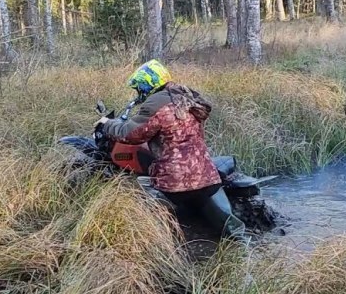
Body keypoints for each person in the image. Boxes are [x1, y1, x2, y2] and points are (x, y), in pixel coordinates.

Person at [97, 60, 245, 239]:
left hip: (174, 183)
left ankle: (158, 241)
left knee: (135, 189)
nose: (138, 93)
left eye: (139, 88)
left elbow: (131, 134)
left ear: (148, 85)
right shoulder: (187, 97)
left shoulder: (156, 104)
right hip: (207, 177)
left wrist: (107, 124)